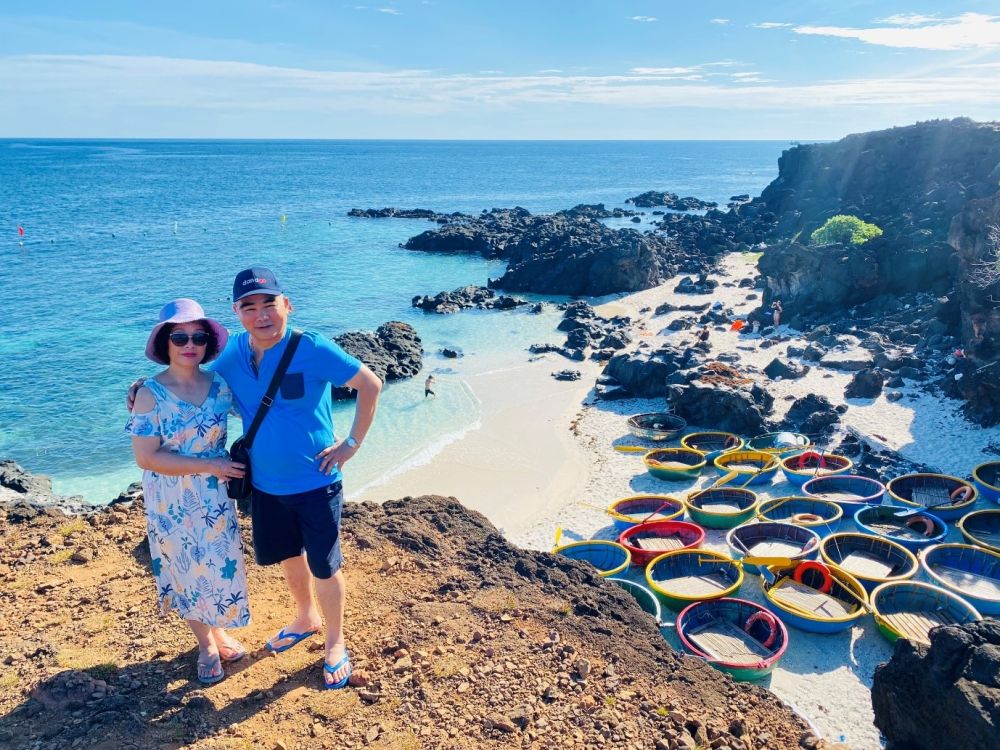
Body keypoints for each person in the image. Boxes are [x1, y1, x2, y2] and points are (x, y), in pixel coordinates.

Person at [129, 268, 382, 690]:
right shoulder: (231, 359)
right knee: (287, 555)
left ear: (287, 305)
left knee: (325, 563)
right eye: (250, 307)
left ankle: (335, 643)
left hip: (317, 479)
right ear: (237, 313)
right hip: (263, 485)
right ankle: (305, 617)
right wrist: (141, 389)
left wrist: (351, 444)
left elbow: (370, 384)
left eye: (269, 304)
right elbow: (187, 384)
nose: (261, 314)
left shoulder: (312, 347)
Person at [126, 299, 251, 685]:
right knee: (186, 572)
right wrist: (211, 465)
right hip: (172, 499)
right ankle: (206, 644)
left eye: (198, 336)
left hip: (214, 497)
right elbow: (147, 458)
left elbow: (259, 410)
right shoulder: (149, 394)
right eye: (179, 336)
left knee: (217, 567)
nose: (189, 344)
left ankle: (218, 630)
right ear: (165, 342)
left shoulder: (220, 386)